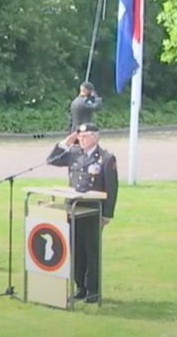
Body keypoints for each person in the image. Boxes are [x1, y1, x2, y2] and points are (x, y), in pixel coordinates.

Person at [47, 123, 118, 303]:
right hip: (72, 208)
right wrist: (66, 142)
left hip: (92, 210)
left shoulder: (105, 157)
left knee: (91, 251)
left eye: (85, 137)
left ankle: (93, 290)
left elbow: (111, 187)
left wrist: (107, 214)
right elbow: (51, 160)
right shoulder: (73, 153)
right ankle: (80, 287)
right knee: (75, 250)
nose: (82, 140)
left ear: (95, 137)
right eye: (80, 137)